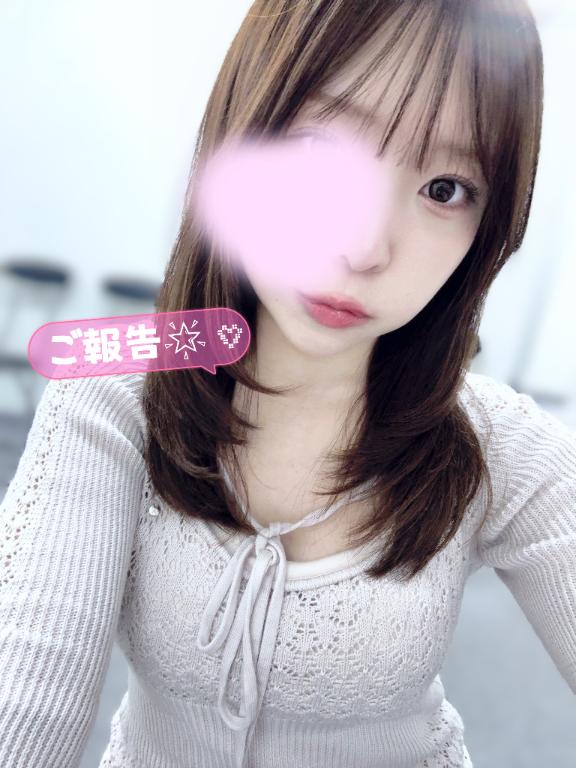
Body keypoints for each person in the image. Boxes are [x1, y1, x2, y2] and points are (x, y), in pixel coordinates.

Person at [1, 1, 575, 767]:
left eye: (444, 188)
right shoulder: (115, 388)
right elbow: (27, 697)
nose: (364, 247)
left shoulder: (499, 445)